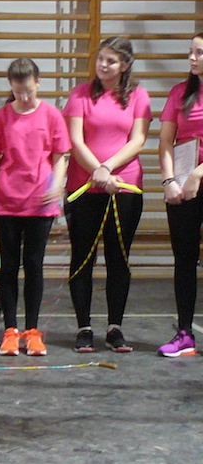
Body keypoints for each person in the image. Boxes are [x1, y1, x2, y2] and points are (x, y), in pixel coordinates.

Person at [64, 36, 150, 354]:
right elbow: (75, 140)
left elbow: (137, 140)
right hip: (84, 187)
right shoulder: (80, 94)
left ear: (125, 65)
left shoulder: (139, 96)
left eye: (111, 60)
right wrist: (97, 172)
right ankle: (84, 328)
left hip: (124, 186)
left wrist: (107, 168)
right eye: (100, 58)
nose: (102, 64)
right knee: (83, 256)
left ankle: (115, 328)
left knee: (119, 257)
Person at [0, 58, 71, 357]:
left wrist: (56, 185)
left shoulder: (52, 115)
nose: (24, 97)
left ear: (38, 83)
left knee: (34, 265)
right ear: (11, 86)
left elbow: (59, 157)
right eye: (18, 92)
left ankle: (32, 331)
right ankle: (10, 330)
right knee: (8, 266)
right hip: (7, 201)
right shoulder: (2, 117)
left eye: (29, 91)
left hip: (39, 201)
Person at [157, 32, 203, 357]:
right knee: (184, 260)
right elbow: (165, 141)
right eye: (191, 52)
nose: (192, 58)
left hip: (197, 178)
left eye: (198, 53)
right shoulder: (179, 93)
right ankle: (184, 333)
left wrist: (199, 173)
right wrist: (169, 180)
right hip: (183, 185)